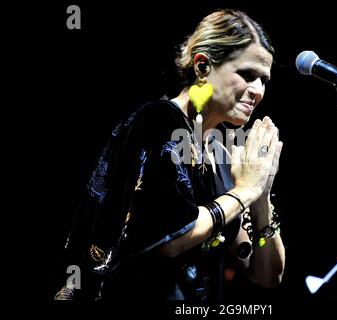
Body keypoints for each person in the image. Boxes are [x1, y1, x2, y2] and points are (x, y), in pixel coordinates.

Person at [54, 9, 284, 302]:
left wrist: (261, 192)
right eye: (247, 75)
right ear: (202, 66)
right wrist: (246, 190)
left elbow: (266, 275)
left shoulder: (224, 154)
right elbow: (172, 237)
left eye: (264, 80)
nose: (258, 91)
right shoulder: (159, 121)